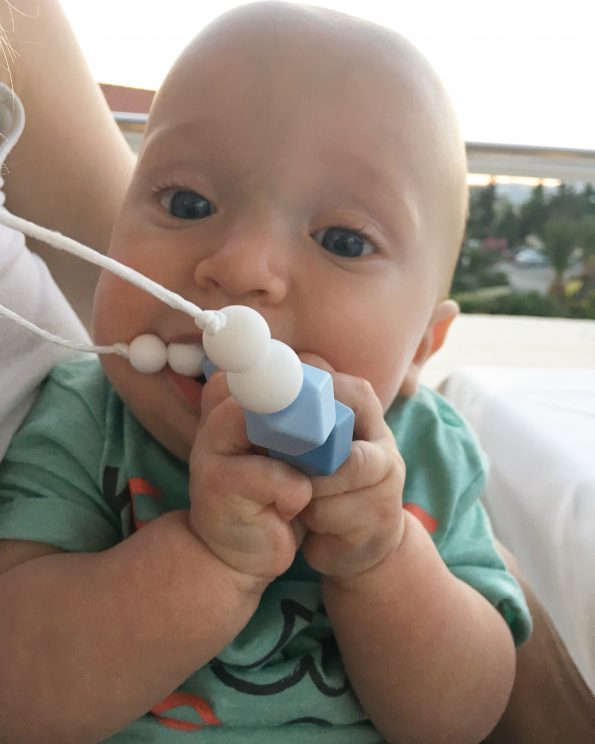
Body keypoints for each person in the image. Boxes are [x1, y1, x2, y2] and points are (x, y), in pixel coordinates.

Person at [0, 2, 591, 742]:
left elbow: (462, 722)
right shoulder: (85, 419)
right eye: (188, 202)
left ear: (421, 349)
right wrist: (209, 561)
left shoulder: (427, 453)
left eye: (343, 240)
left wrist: (382, 562)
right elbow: (16, 694)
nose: (242, 268)